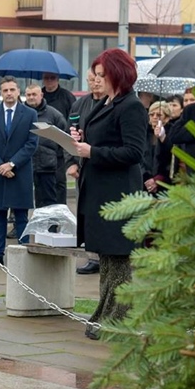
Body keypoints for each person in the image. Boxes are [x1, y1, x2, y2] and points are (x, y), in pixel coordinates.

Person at [69, 49, 146, 340]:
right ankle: (105, 314)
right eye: (96, 75)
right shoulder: (107, 103)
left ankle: (116, 318)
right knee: (107, 259)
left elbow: (134, 151)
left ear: (118, 74)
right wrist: (81, 140)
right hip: (99, 191)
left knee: (118, 259)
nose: (97, 80)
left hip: (118, 194)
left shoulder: (131, 106)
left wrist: (93, 151)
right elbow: (103, 137)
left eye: (102, 75)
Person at [0, 77, 38, 262]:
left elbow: (31, 144)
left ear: (18, 91)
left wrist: (11, 164)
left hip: (19, 172)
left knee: (21, 215)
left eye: (12, 89)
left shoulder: (29, 114)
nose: (9, 93)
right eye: (5, 90)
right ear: (1, 93)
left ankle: (22, 254)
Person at [67, 68, 104, 274]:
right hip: (82, 166)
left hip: (100, 164)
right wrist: (71, 163)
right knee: (85, 211)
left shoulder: (110, 103)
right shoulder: (79, 104)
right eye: (91, 80)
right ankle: (91, 255)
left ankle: (102, 255)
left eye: (98, 79)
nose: (95, 83)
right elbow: (70, 136)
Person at [24, 84, 66, 208]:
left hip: (48, 167)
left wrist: (55, 157)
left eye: (34, 94)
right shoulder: (21, 113)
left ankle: (51, 226)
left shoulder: (54, 114)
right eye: (28, 95)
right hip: (25, 165)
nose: (31, 97)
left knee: (49, 202)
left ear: (41, 95)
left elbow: (64, 137)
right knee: (22, 202)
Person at [42, 72, 76, 204]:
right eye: (47, 78)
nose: (49, 81)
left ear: (57, 79)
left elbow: (74, 119)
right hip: (42, 149)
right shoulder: (38, 95)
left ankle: (60, 217)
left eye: (52, 78)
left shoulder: (67, 97)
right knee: (42, 188)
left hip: (60, 150)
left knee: (59, 185)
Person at [143, 101, 172, 194]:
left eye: (159, 115)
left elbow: (170, 159)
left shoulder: (172, 133)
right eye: (151, 114)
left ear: (167, 118)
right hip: (144, 181)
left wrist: (163, 138)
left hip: (164, 183)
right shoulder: (143, 133)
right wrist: (147, 178)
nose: (154, 117)